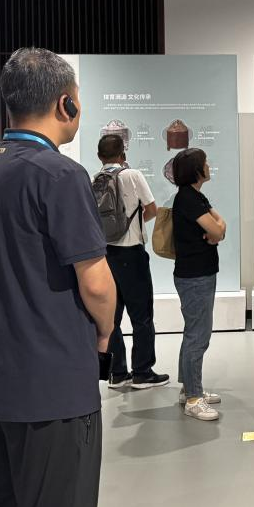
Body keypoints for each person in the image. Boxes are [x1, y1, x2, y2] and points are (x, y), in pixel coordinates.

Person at [0, 48, 116, 507]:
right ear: (65, 103)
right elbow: (95, 282)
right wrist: (105, 333)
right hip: (53, 387)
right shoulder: (59, 174)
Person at [94, 134, 168, 391]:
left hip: (106, 254)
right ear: (123, 154)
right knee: (142, 315)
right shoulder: (132, 175)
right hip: (131, 253)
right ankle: (142, 372)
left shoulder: (96, 179)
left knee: (111, 316)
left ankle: (117, 373)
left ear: (99, 156)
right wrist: (131, 227)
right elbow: (152, 209)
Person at [170, 147, 226, 421]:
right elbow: (217, 229)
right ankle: (193, 398)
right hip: (195, 276)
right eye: (205, 162)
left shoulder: (194, 196)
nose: (209, 165)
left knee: (194, 332)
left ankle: (190, 389)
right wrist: (217, 230)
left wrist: (217, 230)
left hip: (198, 273)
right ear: (196, 170)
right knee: (198, 335)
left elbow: (220, 226)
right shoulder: (189, 199)